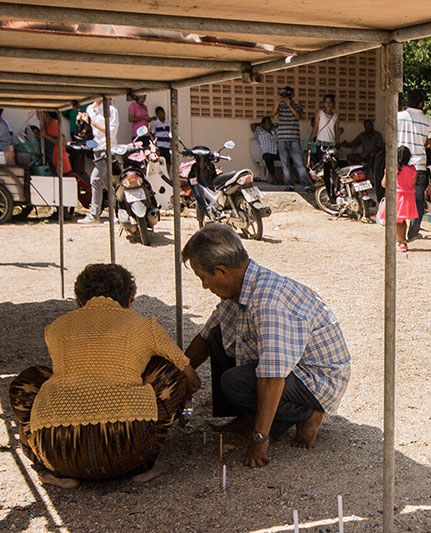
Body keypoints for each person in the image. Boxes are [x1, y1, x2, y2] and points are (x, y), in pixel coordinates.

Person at [8, 264, 200, 489]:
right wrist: (185, 397)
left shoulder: (56, 328)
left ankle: (54, 473)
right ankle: (145, 467)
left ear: (80, 301)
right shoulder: (143, 325)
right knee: (168, 370)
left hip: (57, 448)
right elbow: (189, 375)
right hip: (130, 446)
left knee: (32, 378)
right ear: (129, 300)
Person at [182, 224, 351, 466]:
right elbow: (206, 337)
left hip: (318, 378)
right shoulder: (239, 286)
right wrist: (181, 370)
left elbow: (272, 376)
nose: (204, 286)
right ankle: (248, 416)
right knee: (219, 338)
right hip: (294, 368)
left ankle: (308, 415)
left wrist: (259, 439)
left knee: (235, 382)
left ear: (221, 271)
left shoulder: (268, 302)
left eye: (204, 278)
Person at [398, 89, 431, 241]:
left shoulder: (397, 117)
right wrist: (426, 143)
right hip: (418, 167)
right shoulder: (427, 121)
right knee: (418, 201)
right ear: (421, 103)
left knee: (399, 199)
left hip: (400, 166)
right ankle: (413, 232)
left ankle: (399, 235)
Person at [76, 97, 119, 224]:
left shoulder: (111, 110)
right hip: (95, 148)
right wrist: (81, 122)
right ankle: (118, 212)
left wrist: (91, 122)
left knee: (95, 179)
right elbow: (87, 131)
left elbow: (111, 133)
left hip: (107, 148)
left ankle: (94, 215)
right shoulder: (90, 109)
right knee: (106, 182)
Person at [272, 86, 313, 192]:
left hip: (294, 138)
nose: (287, 97)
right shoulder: (280, 107)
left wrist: (290, 105)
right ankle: (289, 185)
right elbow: (273, 114)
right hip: (282, 138)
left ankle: (306, 185)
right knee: (285, 163)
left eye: (288, 95)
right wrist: (278, 101)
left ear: (293, 95)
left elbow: (298, 116)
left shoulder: (298, 107)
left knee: (299, 162)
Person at [382, 146, 418, 252]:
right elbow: (414, 182)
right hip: (408, 197)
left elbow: (384, 184)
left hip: (396, 196)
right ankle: (403, 241)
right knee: (402, 221)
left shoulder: (393, 169)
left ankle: (401, 243)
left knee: (397, 221)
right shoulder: (412, 169)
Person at [310, 94, 339, 165]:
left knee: (331, 164)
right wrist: (310, 141)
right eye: (326, 102)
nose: (328, 104)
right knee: (321, 164)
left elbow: (336, 131)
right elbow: (316, 127)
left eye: (330, 102)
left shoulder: (336, 117)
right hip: (321, 143)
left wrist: (338, 143)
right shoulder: (320, 113)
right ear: (324, 103)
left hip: (331, 143)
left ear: (333, 103)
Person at [251, 116, 278, 183]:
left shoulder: (274, 132)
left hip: (276, 152)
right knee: (267, 157)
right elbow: (252, 125)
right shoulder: (260, 132)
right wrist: (261, 124)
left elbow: (279, 126)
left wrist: (274, 125)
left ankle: (283, 178)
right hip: (267, 153)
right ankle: (273, 177)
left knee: (288, 157)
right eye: (268, 123)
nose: (270, 125)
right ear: (263, 124)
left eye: (270, 123)